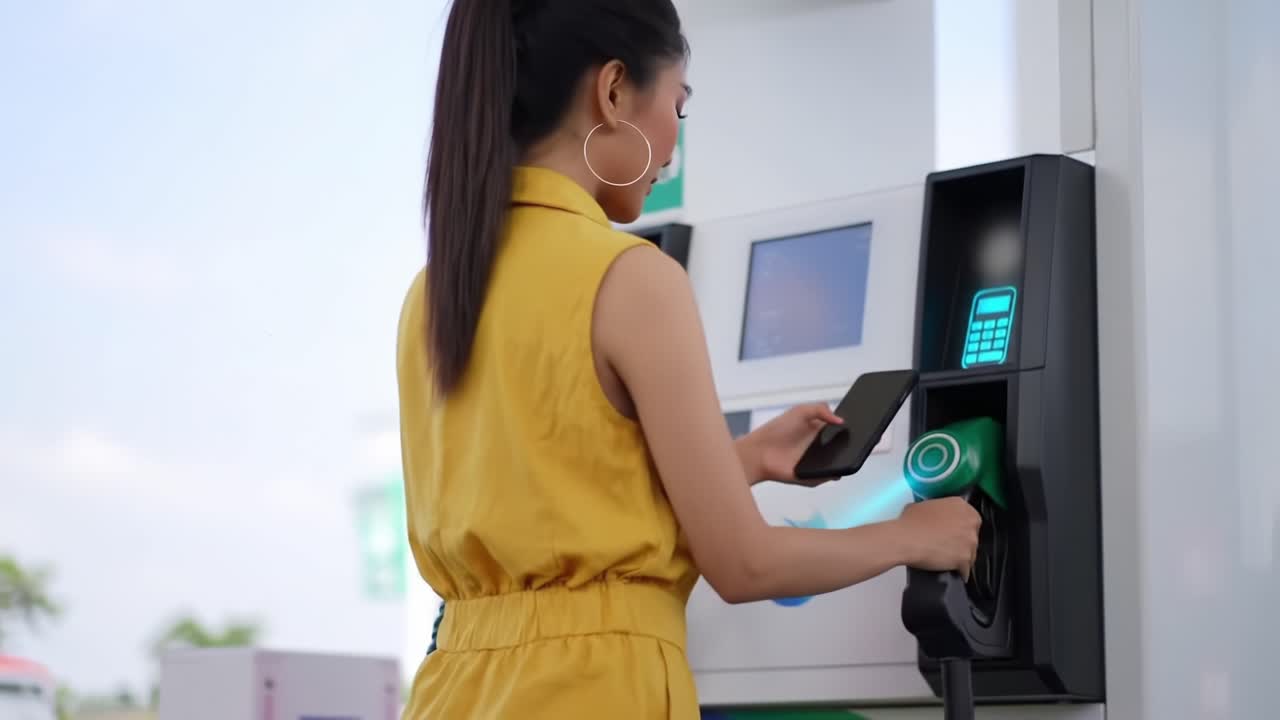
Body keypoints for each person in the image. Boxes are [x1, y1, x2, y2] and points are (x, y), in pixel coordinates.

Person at [395, 1, 981, 717]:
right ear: (614, 92)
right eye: (678, 105)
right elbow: (745, 564)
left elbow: (554, 502)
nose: (671, 148)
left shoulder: (433, 293)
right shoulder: (631, 277)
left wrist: (741, 462)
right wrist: (911, 536)